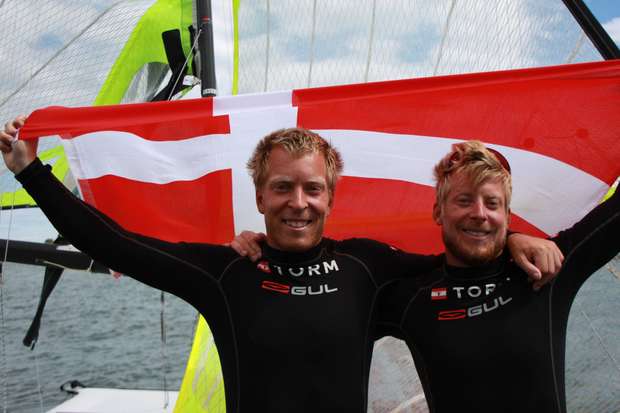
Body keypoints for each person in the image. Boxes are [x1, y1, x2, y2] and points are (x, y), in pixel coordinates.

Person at [1, 117, 559, 412]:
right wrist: (31, 171)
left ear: (331, 198)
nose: (298, 202)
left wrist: (515, 241)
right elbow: (115, 244)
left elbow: (460, 263)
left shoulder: (367, 268)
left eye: (312, 189)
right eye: (282, 188)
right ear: (260, 197)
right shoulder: (226, 274)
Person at [375, 141, 619, 413]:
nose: (479, 214)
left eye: (492, 204)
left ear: (506, 215)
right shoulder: (412, 296)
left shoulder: (546, 267)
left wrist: (513, 240)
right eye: (464, 200)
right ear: (438, 211)